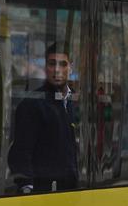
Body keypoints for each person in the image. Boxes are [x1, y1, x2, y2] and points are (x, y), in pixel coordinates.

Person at [8, 43, 79, 193]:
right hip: (43, 192)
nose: (57, 70)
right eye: (52, 64)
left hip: (72, 191)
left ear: (70, 67)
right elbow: (21, 152)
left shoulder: (76, 102)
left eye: (63, 64)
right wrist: (27, 187)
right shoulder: (32, 104)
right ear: (46, 68)